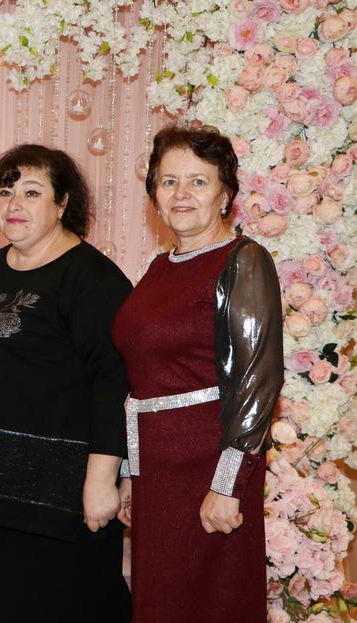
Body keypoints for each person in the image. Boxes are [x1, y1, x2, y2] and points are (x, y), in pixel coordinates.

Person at [0, 144, 132, 622]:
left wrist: (102, 482)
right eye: (6, 193)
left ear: (62, 203)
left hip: (56, 504)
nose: (14, 205)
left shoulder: (93, 279)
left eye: (31, 192)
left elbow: (115, 383)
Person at [112, 124, 283, 622]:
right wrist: (131, 474)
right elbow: (143, 380)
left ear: (225, 195)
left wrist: (228, 484)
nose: (181, 193)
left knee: (210, 604)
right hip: (157, 474)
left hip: (210, 468)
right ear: (154, 195)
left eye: (198, 181)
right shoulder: (159, 267)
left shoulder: (244, 260)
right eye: (169, 182)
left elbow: (257, 380)